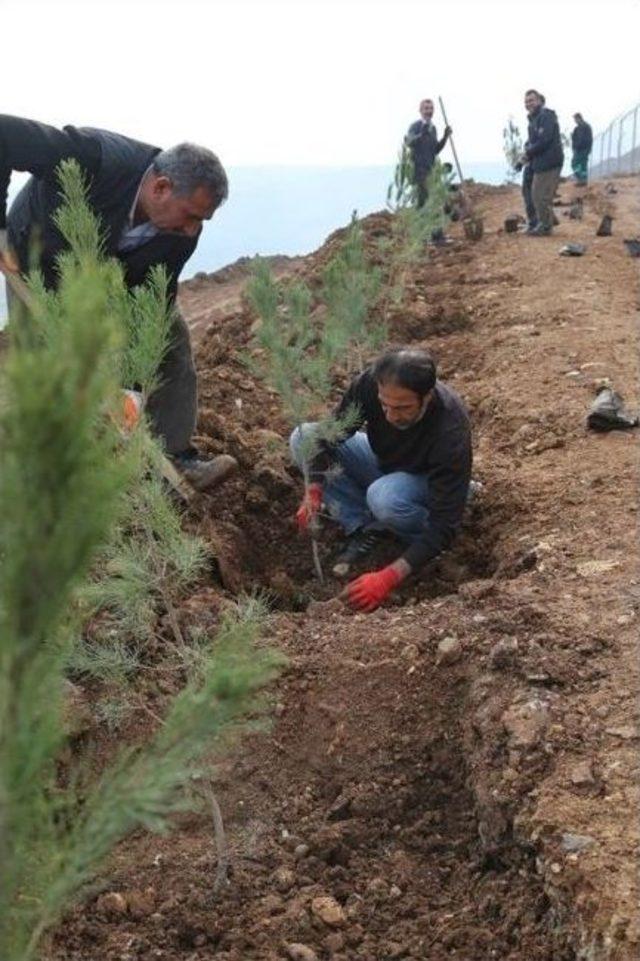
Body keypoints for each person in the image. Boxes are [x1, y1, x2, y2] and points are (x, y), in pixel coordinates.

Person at [0, 114, 236, 491]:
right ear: (160, 187)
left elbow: (150, 309)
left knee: (169, 340)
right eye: (190, 215)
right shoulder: (94, 157)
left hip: (108, 271)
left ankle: (174, 455)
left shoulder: (180, 235)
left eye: (202, 220)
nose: (193, 229)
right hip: (33, 258)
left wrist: (130, 394)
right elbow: (4, 135)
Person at [290, 348, 472, 612]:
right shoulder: (369, 385)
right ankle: (364, 525)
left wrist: (388, 577)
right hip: (385, 463)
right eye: (384, 404)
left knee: (385, 498)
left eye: (403, 408)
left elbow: (444, 527)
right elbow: (326, 438)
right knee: (303, 437)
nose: (390, 415)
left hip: (428, 482)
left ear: (427, 397)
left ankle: (413, 536)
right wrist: (314, 490)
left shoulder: (450, 429)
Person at [520, 90, 564, 236]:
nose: (528, 104)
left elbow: (544, 141)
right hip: (538, 162)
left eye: (531, 100)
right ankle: (542, 220)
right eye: (526, 101)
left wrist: (528, 152)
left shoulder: (546, 116)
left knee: (539, 195)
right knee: (530, 191)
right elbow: (532, 142)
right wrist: (526, 153)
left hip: (549, 161)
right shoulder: (533, 120)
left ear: (539, 101)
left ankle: (545, 226)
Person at [405, 99, 452, 208]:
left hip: (432, 171)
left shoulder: (433, 128)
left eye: (431, 108)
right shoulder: (415, 126)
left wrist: (445, 137)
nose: (429, 111)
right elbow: (409, 142)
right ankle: (420, 224)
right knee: (422, 203)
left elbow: (435, 150)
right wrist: (422, 134)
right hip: (419, 172)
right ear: (420, 110)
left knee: (435, 202)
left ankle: (436, 225)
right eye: (426, 108)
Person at [571, 113, 593, 185]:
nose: (575, 121)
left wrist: (576, 147)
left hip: (582, 149)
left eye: (575, 119)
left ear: (578, 118)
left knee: (577, 164)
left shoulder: (584, 127)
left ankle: (581, 180)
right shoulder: (579, 128)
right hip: (581, 149)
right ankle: (582, 179)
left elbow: (584, 139)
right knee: (579, 164)